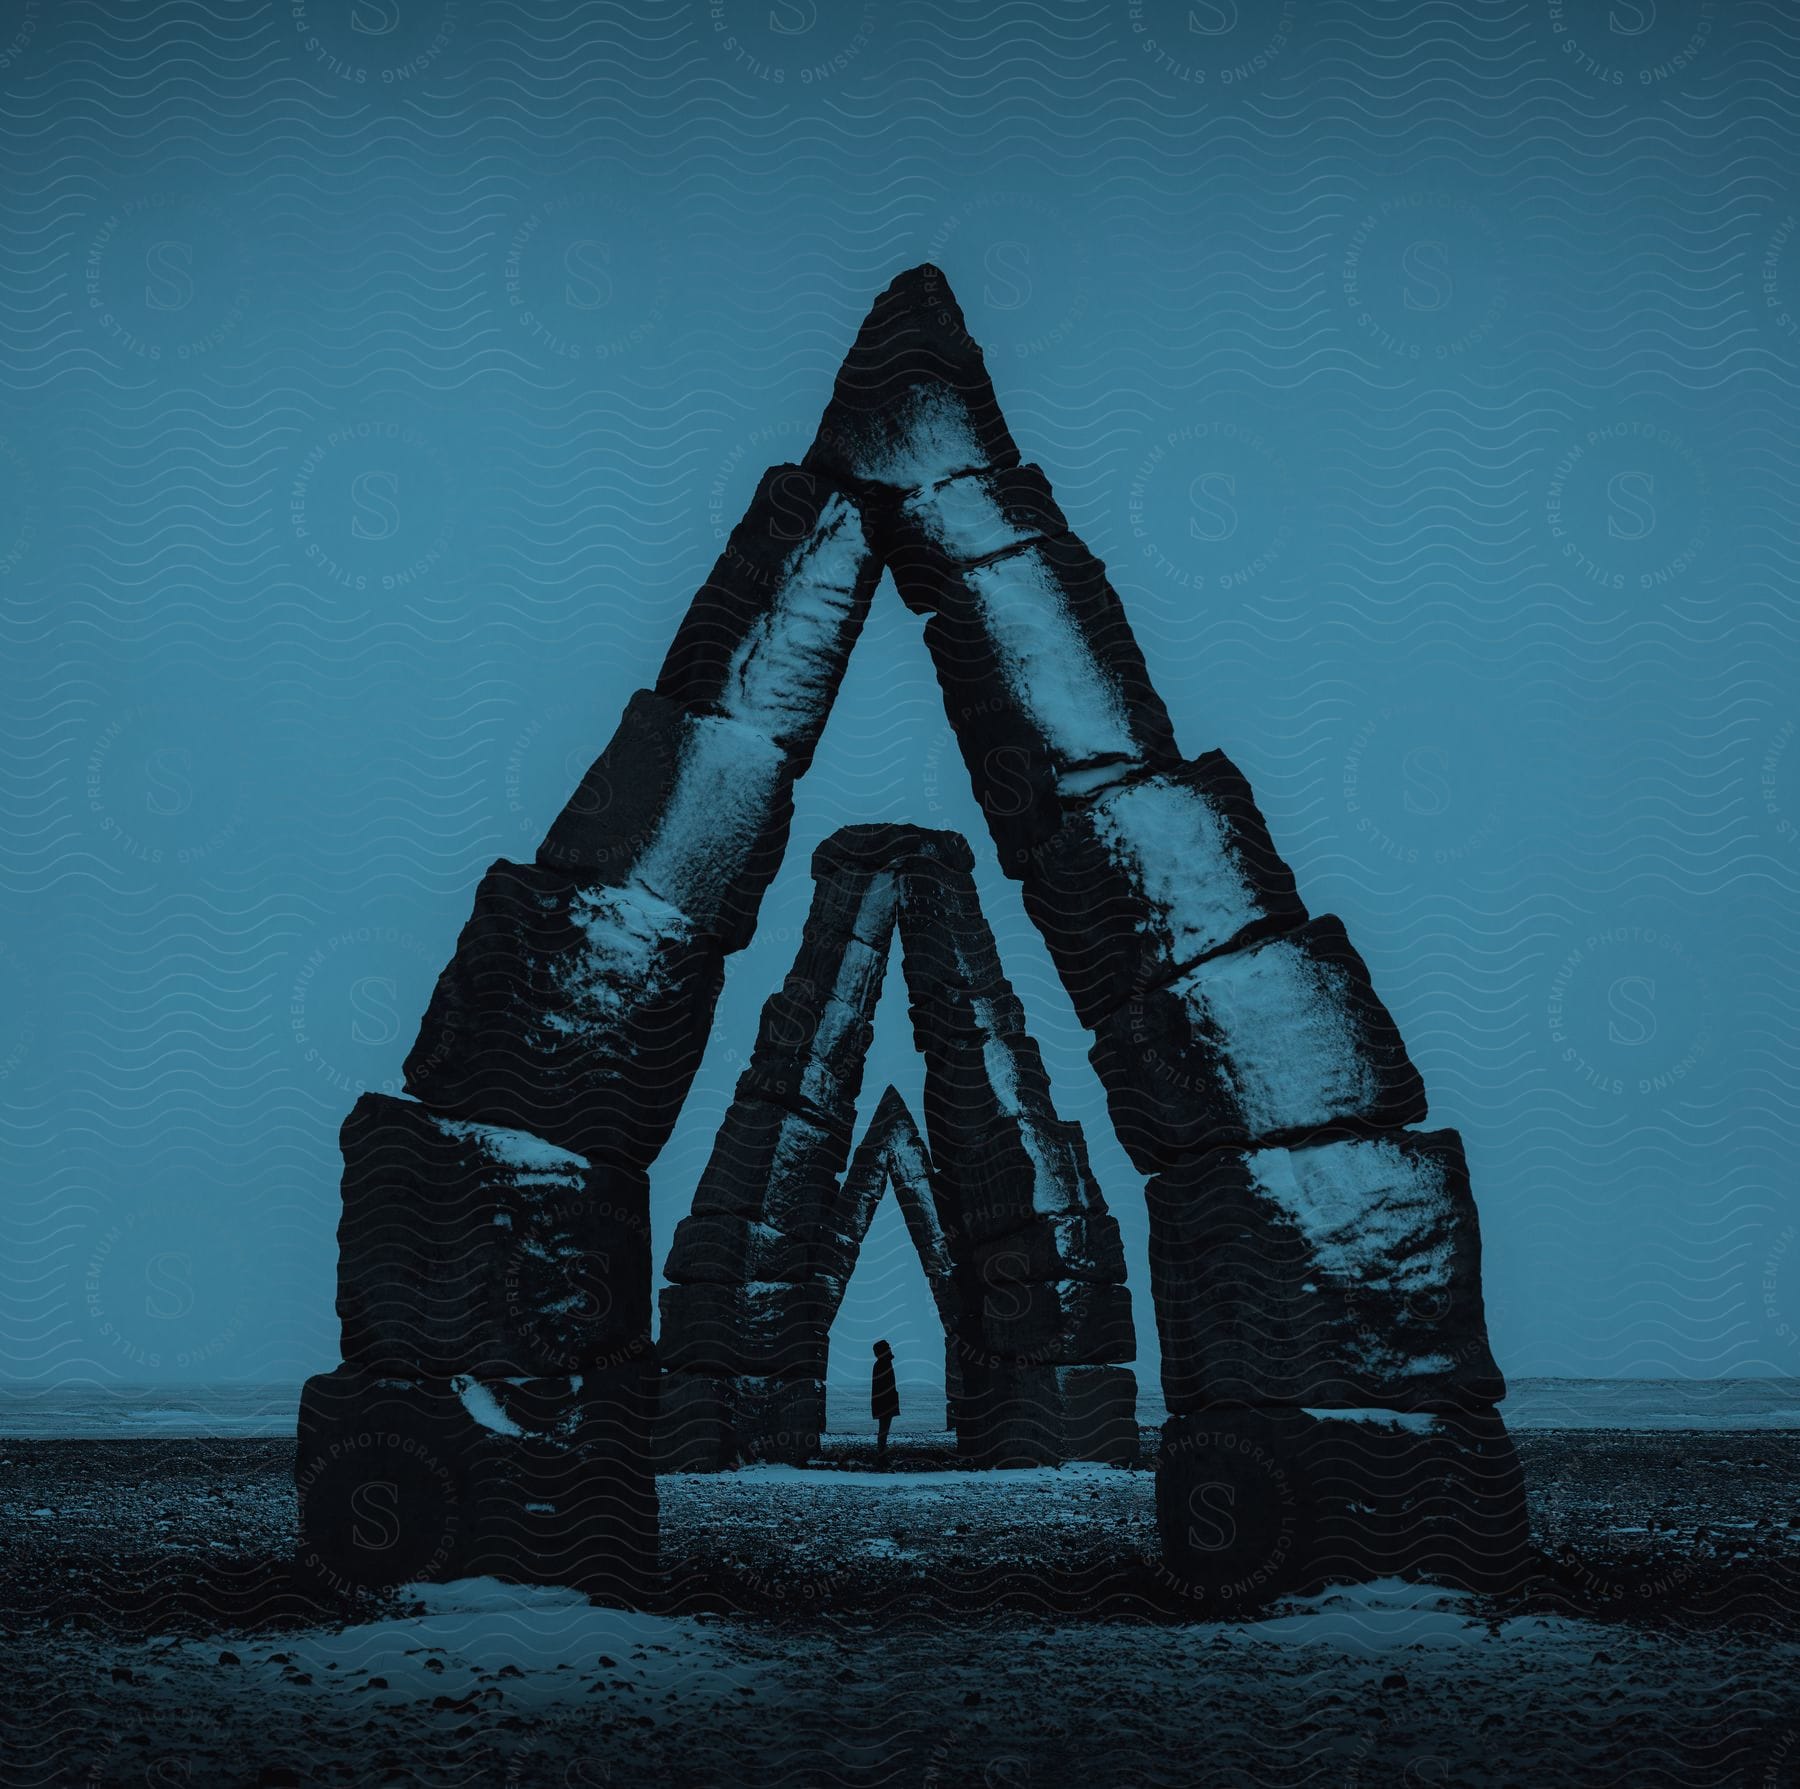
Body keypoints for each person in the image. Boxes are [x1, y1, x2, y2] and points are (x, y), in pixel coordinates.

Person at [871, 1339, 898, 1463]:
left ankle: (881, 1455)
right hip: (885, 1403)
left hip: (885, 1402)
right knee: (883, 1430)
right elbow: (883, 1386)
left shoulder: (883, 1363)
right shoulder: (883, 1364)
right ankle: (881, 1456)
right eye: (887, 1347)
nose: (890, 1348)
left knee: (884, 1430)